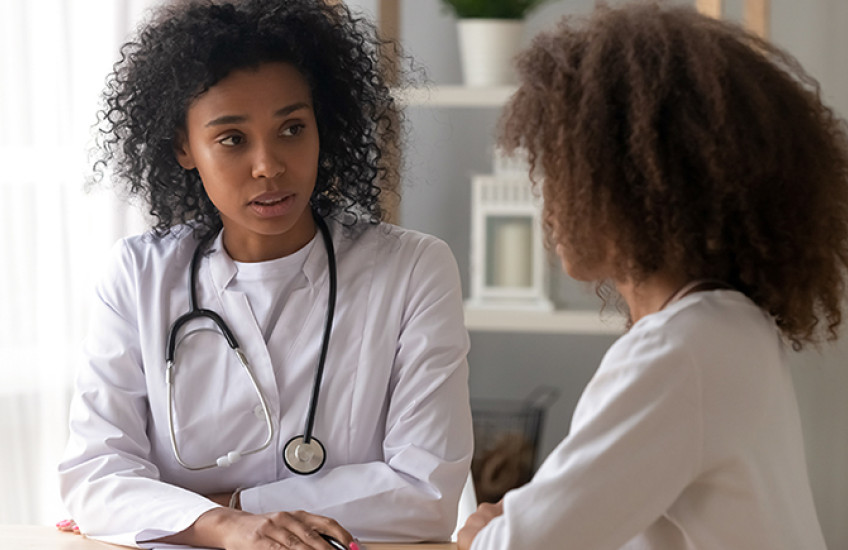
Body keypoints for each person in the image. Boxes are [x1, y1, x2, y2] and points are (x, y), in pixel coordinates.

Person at [58, 1, 473, 548]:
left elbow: (427, 494)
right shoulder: (139, 275)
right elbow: (93, 478)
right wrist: (227, 526)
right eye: (232, 138)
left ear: (324, 127)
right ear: (184, 147)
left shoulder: (412, 269)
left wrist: (229, 507)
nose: (269, 165)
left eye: (292, 128)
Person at [457, 3, 848, 549]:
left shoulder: (677, 353)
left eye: (568, 173)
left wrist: (484, 529)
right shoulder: (731, 326)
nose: (549, 201)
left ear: (641, 185)